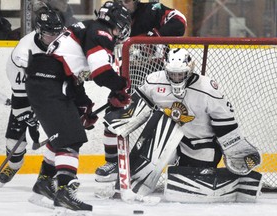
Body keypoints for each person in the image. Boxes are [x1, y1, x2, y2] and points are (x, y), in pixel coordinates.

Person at [104, 48, 262, 201]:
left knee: (188, 182)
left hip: (200, 144)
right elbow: (135, 107)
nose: (176, 77)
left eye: (181, 74)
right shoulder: (154, 81)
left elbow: (225, 124)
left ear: (190, 70)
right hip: (167, 139)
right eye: (172, 74)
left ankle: (227, 181)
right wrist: (119, 115)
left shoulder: (207, 89)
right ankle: (136, 181)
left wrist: (234, 147)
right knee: (161, 118)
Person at [25, 1, 131, 213]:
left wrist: (84, 105)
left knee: (62, 134)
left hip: (48, 80)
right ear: (118, 23)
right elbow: (101, 73)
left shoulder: (88, 28)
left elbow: (73, 74)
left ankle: (44, 182)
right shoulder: (102, 32)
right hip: (49, 82)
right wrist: (121, 87)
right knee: (71, 137)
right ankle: (64, 191)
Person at [95, 0, 187, 182]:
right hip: (130, 77)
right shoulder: (111, 15)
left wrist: (154, 36)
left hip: (161, 76)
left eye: (127, 0)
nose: (124, 3)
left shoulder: (153, 10)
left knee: (179, 115)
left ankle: (183, 159)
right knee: (114, 115)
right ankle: (113, 162)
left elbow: (180, 20)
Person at [0, 8, 64, 185]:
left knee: (62, 133)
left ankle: (57, 171)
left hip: (51, 89)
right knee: (14, 142)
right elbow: (20, 100)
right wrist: (29, 116)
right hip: (25, 89)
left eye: (58, 32)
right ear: (39, 31)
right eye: (50, 33)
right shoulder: (23, 53)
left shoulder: (64, 40)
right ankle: (14, 164)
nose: (55, 37)